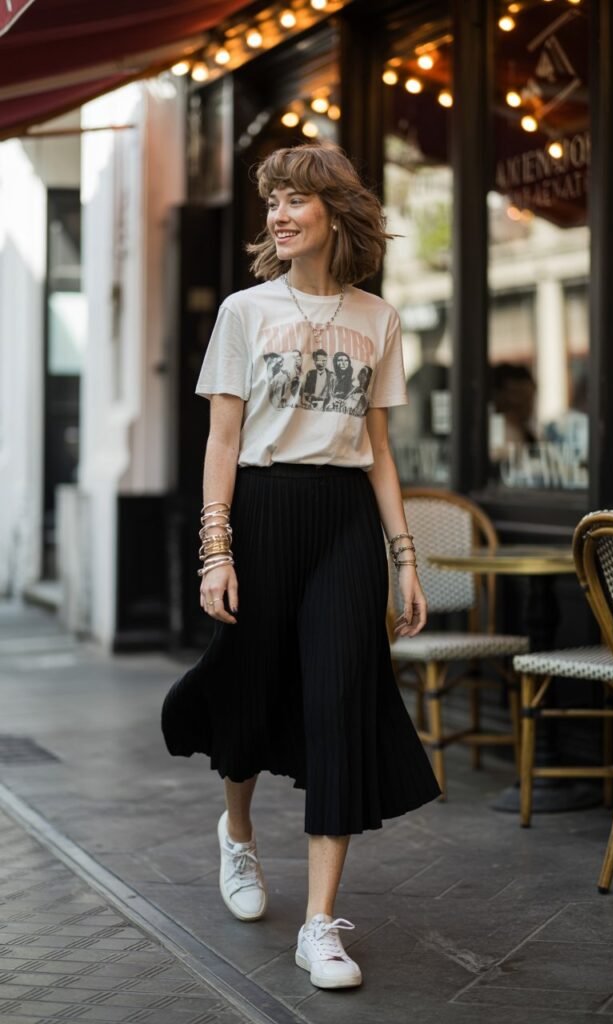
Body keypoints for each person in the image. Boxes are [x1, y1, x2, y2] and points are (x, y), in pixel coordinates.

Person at [161, 141, 440, 992]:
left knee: (340, 699)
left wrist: (405, 559)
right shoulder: (246, 311)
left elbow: (381, 452)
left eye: (295, 199)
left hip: (345, 520)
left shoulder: (377, 318)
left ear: (334, 213)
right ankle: (238, 838)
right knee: (250, 683)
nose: (279, 213)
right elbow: (221, 439)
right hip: (264, 508)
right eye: (272, 200)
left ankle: (321, 924)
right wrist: (217, 551)